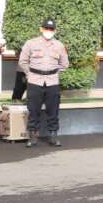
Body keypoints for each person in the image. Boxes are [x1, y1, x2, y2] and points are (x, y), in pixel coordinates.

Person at [18, 18, 69, 147]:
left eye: (51, 29)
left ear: (55, 30)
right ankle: (33, 136)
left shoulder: (59, 45)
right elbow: (22, 61)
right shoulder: (31, 43)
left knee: (53, 110)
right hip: (35, 81)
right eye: (46, 28)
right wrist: (30, 74)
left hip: (52, 82)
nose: (48, 31)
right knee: (33, 110)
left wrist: (54, 73)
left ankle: (53, 135)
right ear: (41, 29)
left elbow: (64, 64)